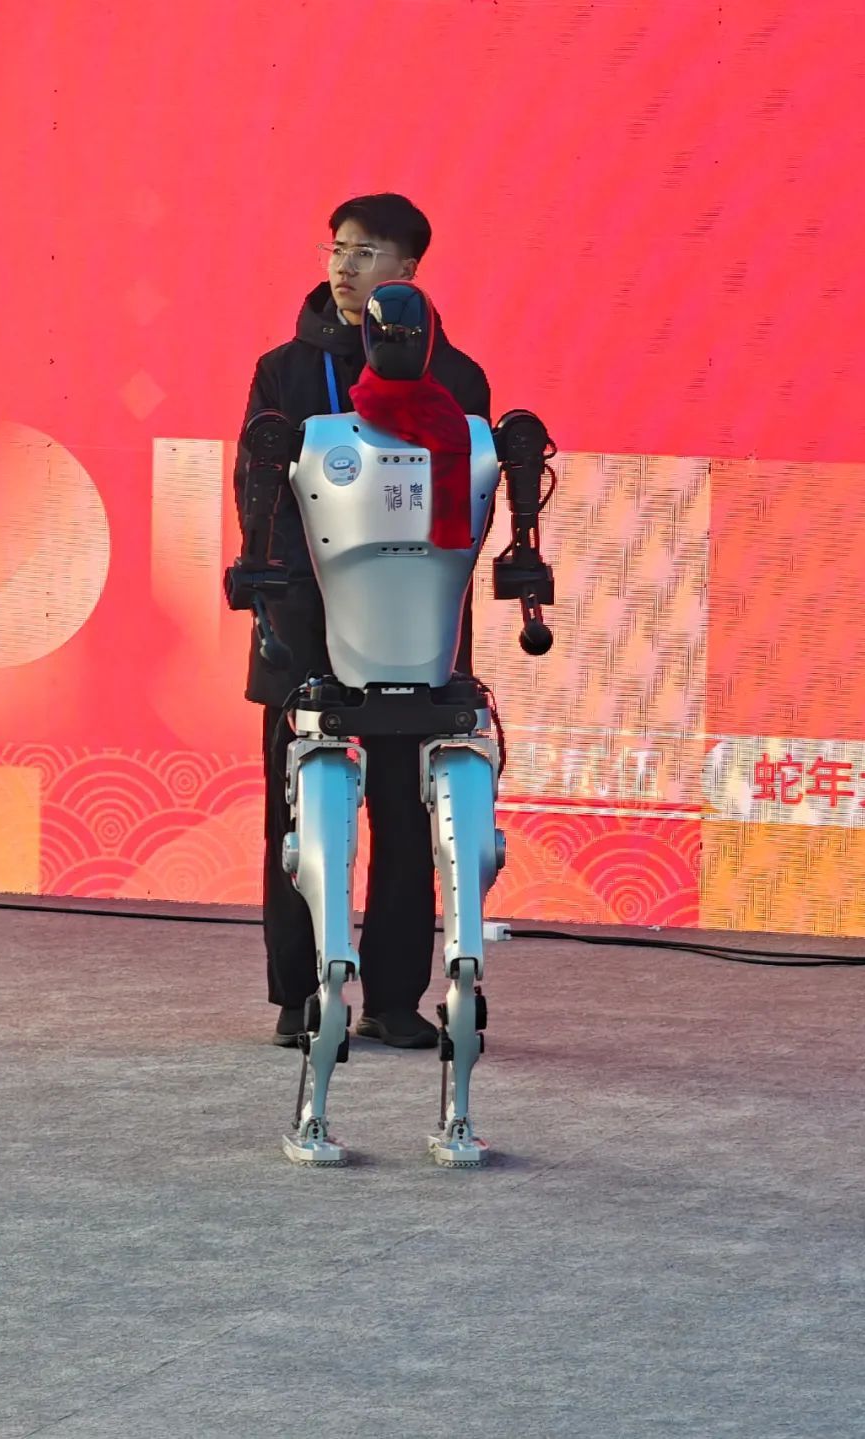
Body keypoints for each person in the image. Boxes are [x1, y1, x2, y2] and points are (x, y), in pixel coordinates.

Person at [234, 193, 491, 1050]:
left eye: (367, 251)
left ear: (408, 268)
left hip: (412, 623)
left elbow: (473, 507)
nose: (344, 266)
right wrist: (281, 599)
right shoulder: (285, 371)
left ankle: (393, 996)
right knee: (299, 812)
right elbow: (259, 498)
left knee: (408, 812)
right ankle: (299, 994)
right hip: (305, 618)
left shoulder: (458, 379)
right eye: (337, 248)